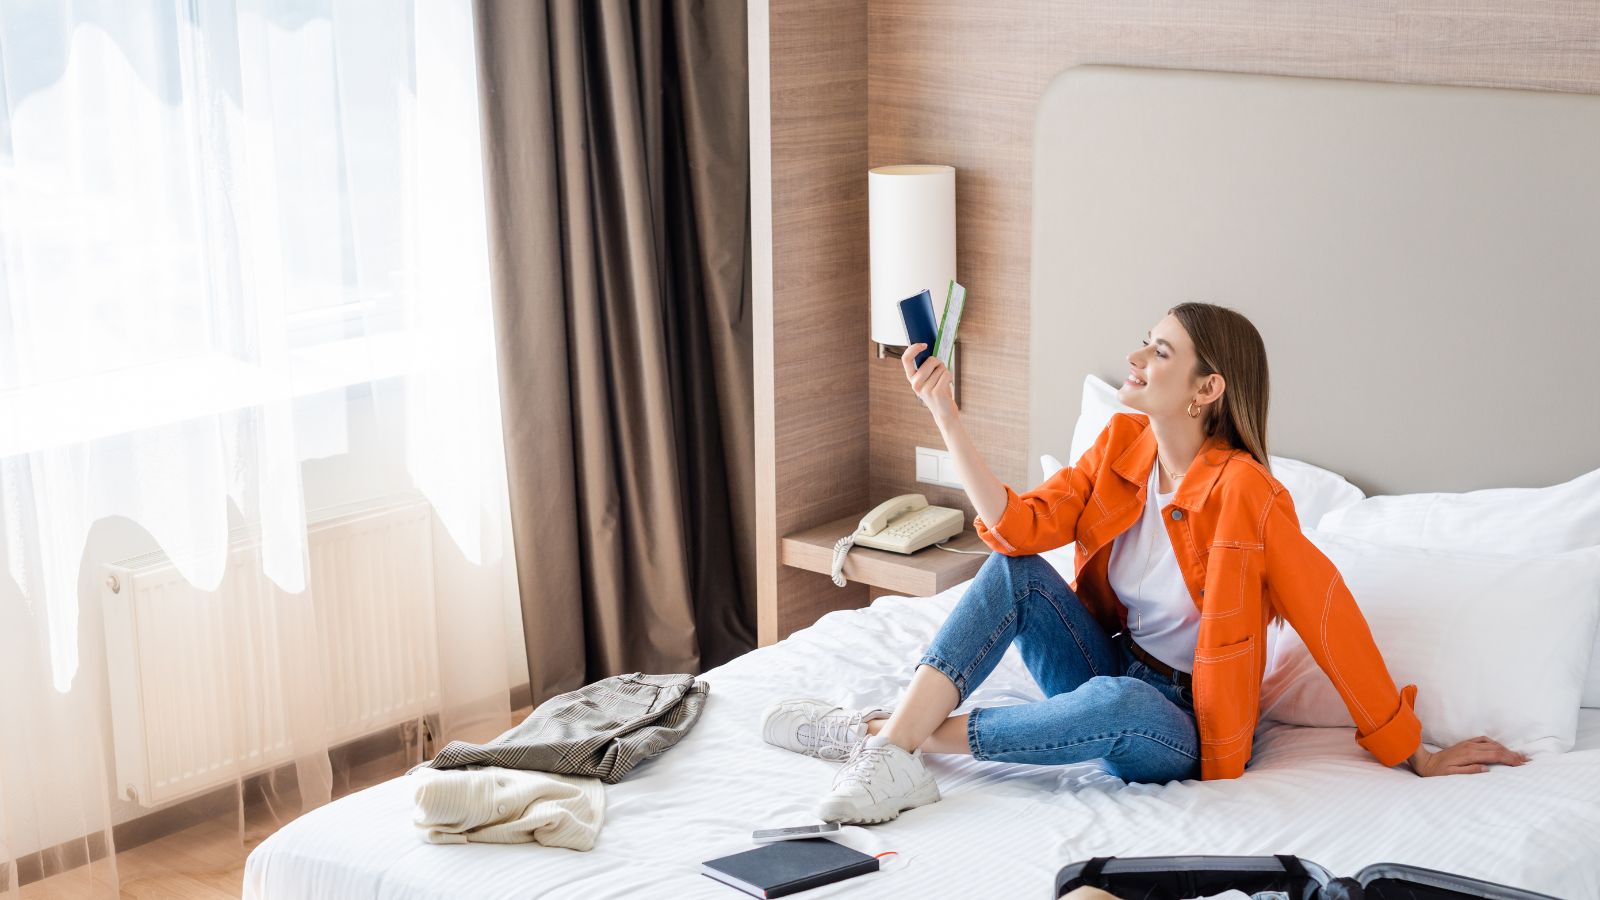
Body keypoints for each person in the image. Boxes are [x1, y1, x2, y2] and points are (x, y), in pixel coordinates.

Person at [761, 301, 1528, 826]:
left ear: (1207, 389)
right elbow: (1015, 525)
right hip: (1107, 663)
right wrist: (945, 413)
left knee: (1118, 707)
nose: (1135, 358)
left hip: (1184, 724)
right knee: (1010, 573)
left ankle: (898, 737)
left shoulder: (1252, 498)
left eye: (1160, 351)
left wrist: (1411, 750)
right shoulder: (1121, 447)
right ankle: (892, 747)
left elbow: (1331, 622)